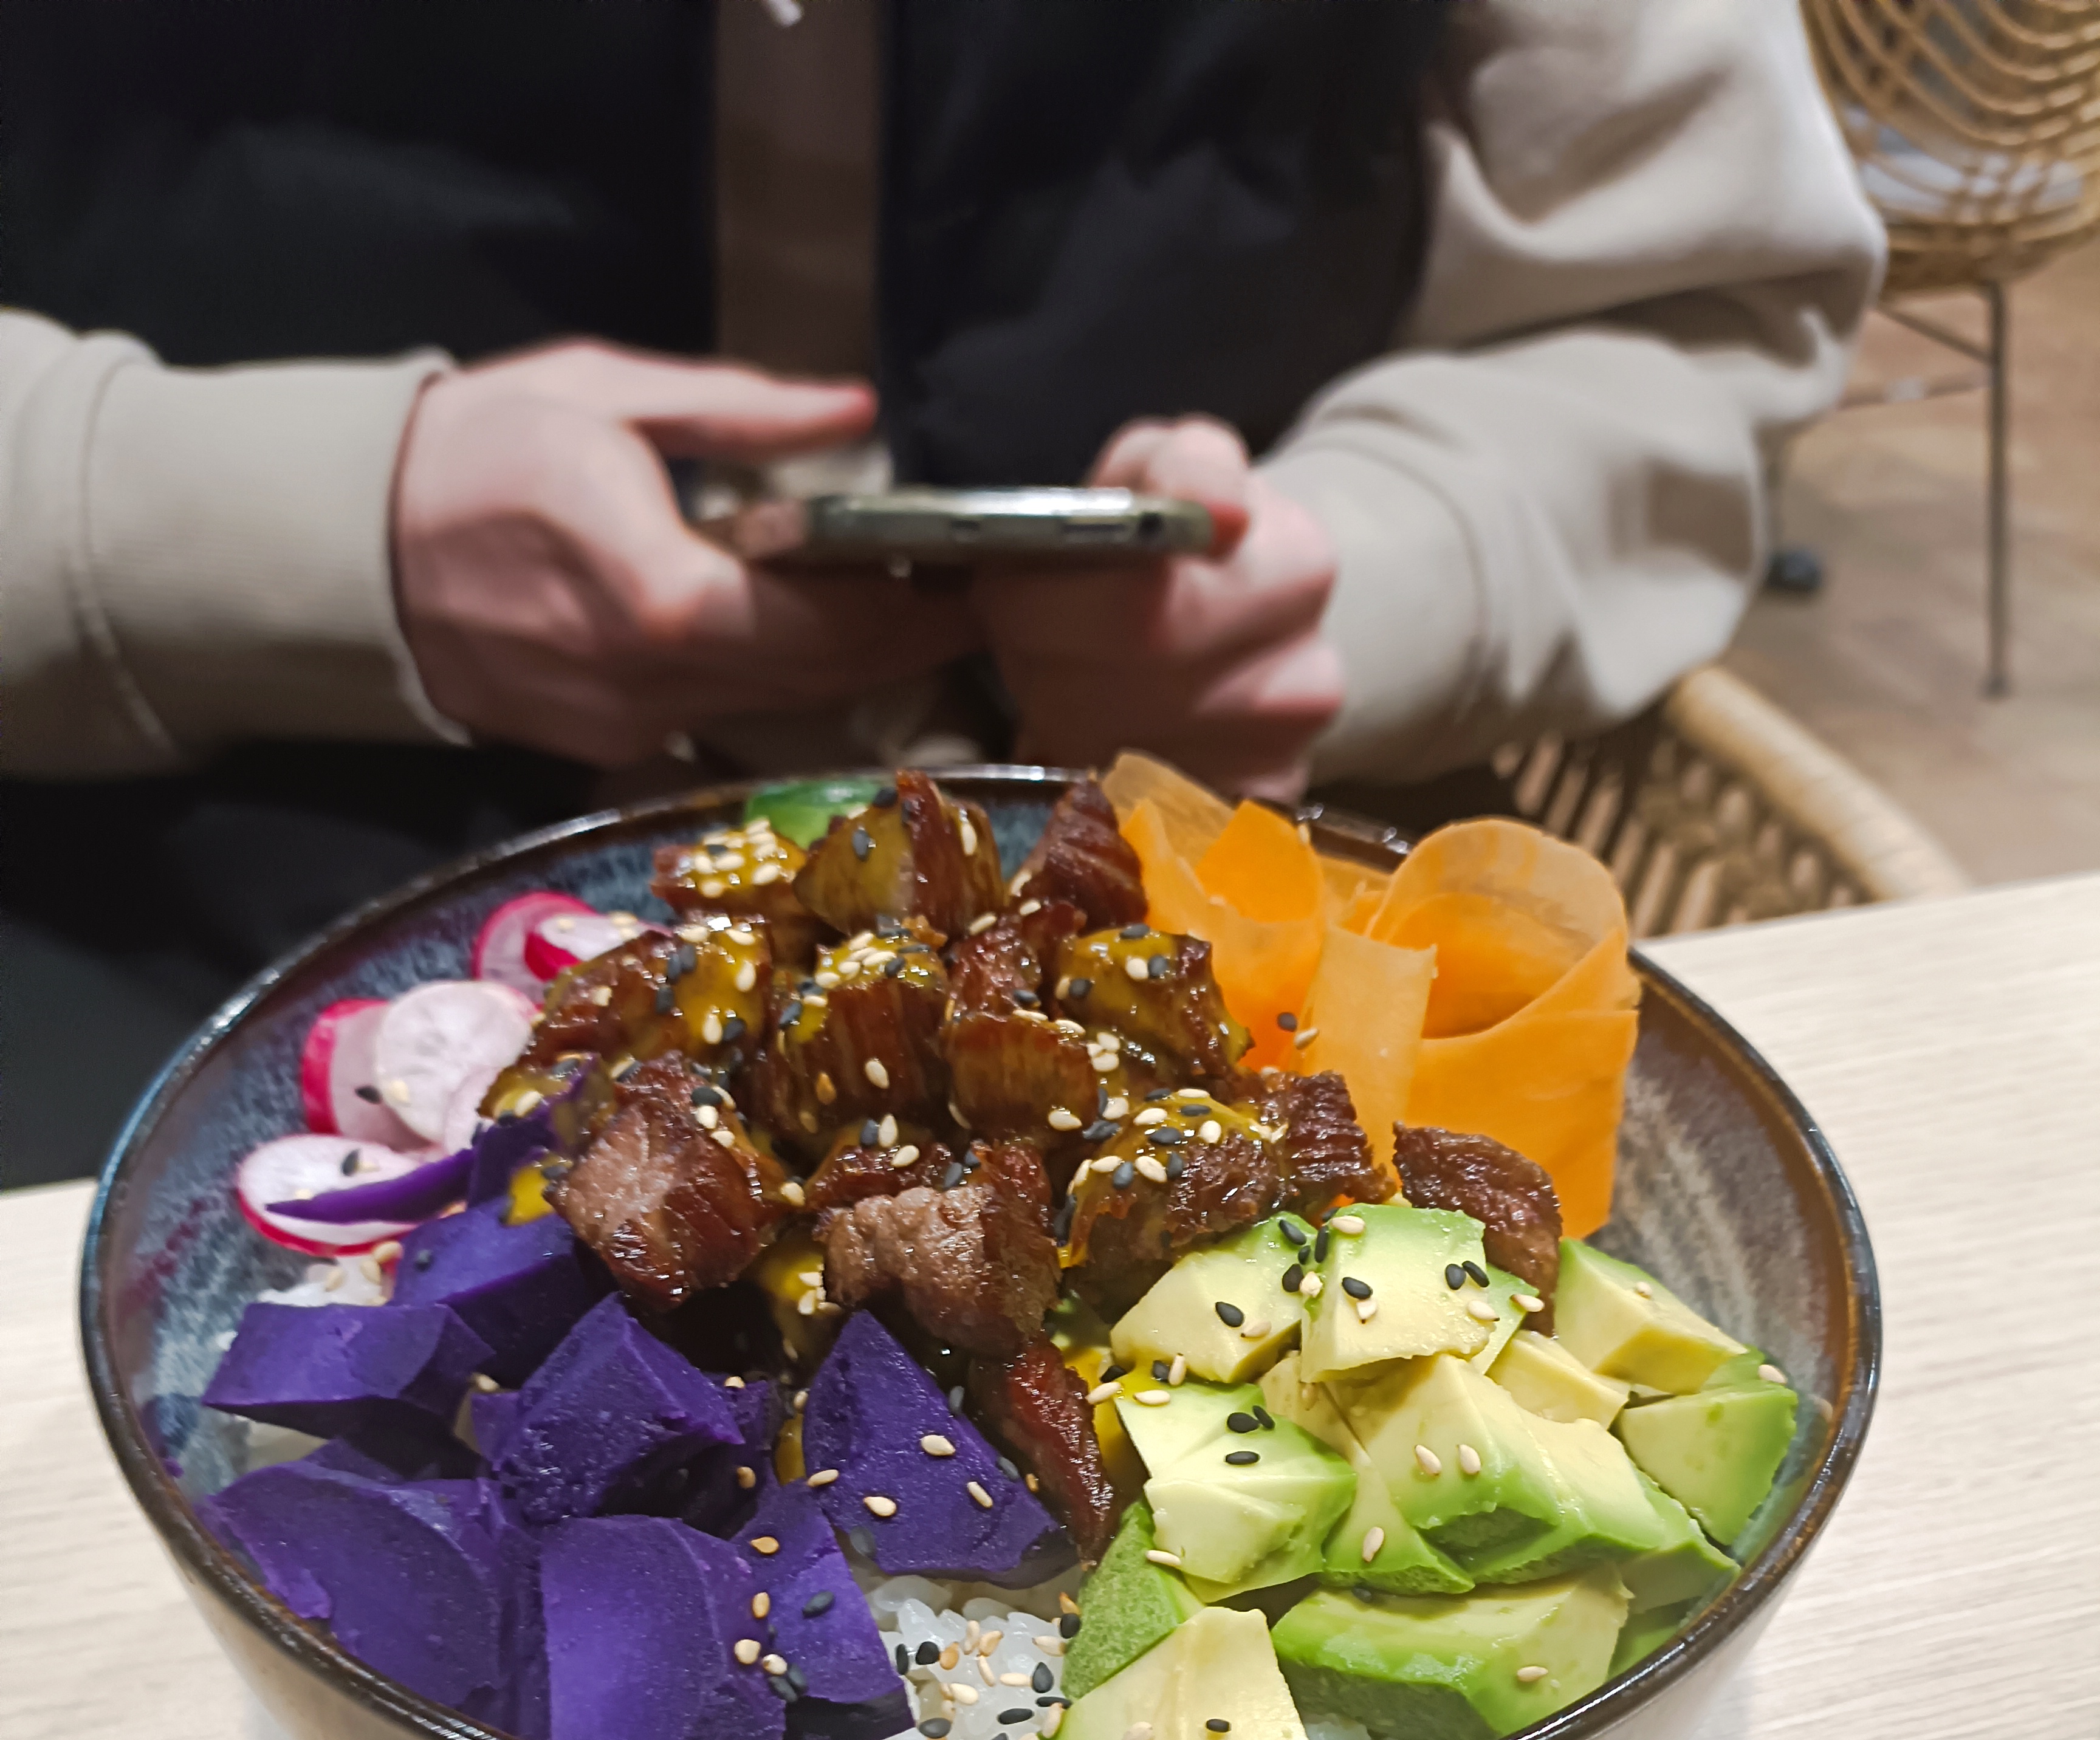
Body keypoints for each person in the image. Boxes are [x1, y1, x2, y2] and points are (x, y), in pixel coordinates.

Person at [0, 1, 1879, 1179]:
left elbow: (1688, 298)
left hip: (1242, 916)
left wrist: (1360, 575)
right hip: (161, 913)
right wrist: (264, 527)